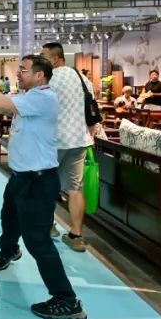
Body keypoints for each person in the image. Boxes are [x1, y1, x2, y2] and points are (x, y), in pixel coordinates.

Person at [0, 56, 87, 319]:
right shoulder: (29, 96)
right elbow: (4, 97)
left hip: (38, 181)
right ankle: (9, 250)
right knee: (9, 219)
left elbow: (1, 103)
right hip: (21, 177)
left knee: (38, 241)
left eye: (24, 70)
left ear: (40, 75)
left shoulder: (44, 98)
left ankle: (67, 300)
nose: (19, 74)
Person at [41, 42, 95, 252]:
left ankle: (49, 226)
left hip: (55, 140)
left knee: (47, 184)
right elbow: (91, 108)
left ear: (55, 59)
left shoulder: (50, 78)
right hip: (79, 140)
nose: (41, 59)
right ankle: (76, 235)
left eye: (44, 55)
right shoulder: (82, 78)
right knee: (75, 188)